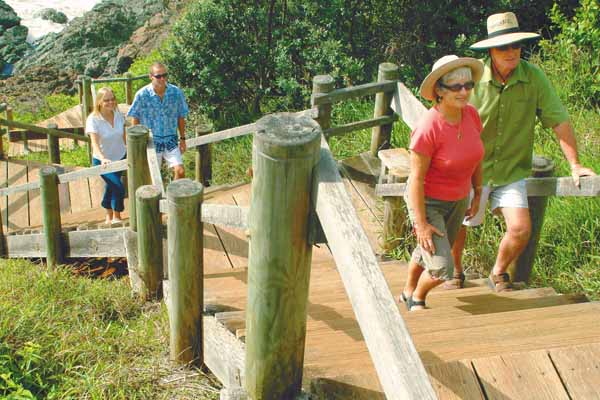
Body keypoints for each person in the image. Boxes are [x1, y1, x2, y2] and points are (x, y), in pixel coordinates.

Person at [448, 12, 597, 292]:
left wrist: (575, 164)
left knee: (520, 229)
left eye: (516, 45)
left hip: (510, 171)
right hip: (470, 171)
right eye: (504, 46)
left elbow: (558, 119)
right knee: (457, 225)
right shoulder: (472, 81)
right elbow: (446, 119)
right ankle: (455, 272)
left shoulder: (534, 77)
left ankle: (498, 272)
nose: (512, 51)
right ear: (490, 50)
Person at [400, 55, 484, 311]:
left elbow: (477, 155)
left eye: (468, 85)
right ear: (439, 90)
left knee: (428, 249)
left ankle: (406, 291)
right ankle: (418, 298)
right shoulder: (428, 127)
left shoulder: (471, 115)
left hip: (458, 199)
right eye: (455, 87)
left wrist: (477, 192)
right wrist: (421, 223)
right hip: (428, 201)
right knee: (441, 266)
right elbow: (415, 178)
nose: (464, 91)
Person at [128, 62, 189, 180]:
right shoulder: (142, 95)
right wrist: (137, 144)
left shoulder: (176, 92)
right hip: (151, 142)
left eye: (164, 75)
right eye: (158, 76)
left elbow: (181, 116)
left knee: (180, 172)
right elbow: (135, 118)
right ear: (150, 76)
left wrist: (182, 138)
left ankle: (174, 197)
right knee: (153, 178)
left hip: (171, 140)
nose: (162, 79)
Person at [85, 87, 127, 224]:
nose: (111, 102)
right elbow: (94, 143)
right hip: (102, 161)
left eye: (113, 99)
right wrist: (102, 158)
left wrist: (128, 150)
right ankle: (115, 212)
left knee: (111, 187)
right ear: (99, 102)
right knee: (118, 187)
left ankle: (113, 216)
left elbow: (124, 135)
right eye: (106, 100)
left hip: (120, 156)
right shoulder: (93, 119)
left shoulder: (119, 115)